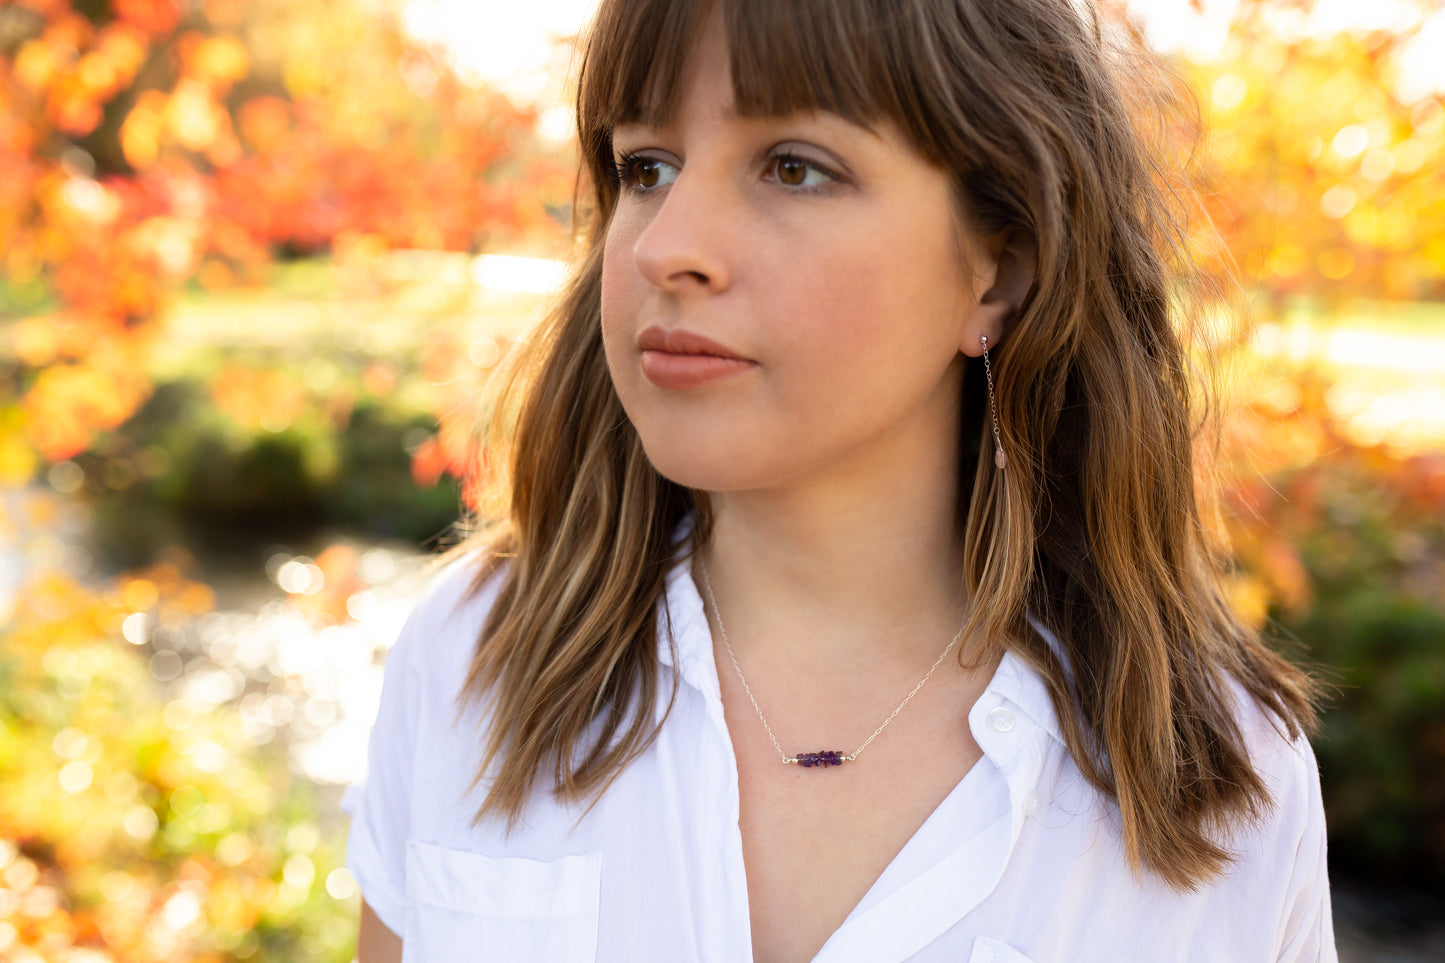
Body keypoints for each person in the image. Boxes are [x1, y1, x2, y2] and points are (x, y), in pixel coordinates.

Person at [346, 0, 1334, 960]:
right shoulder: (471, 654)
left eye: (793, 169)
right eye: (645, 167)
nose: (663, 245)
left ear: (999, 269)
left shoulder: (1228, 790)